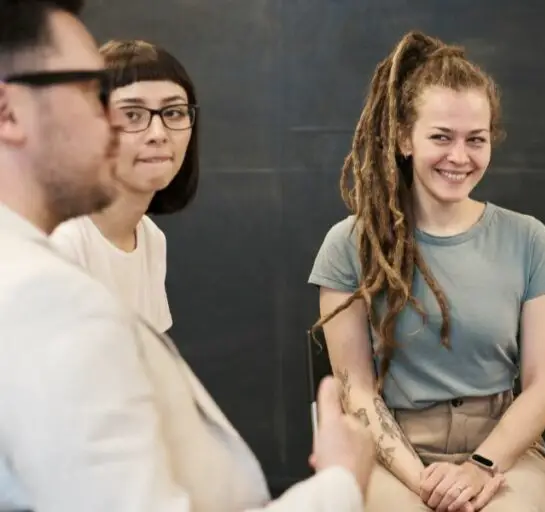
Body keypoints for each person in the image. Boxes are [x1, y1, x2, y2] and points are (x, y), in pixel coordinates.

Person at [0, 1, 373, 510]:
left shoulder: (140, 242)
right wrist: (340, 480)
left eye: (174, 113)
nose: (149, 131)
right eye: (92, 93)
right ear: (9, 112)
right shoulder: (52, 293)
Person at [308, 30, 545, 512]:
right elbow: (357, 392)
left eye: (476, 139)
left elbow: (544, 385)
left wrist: (481, 466)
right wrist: (426, 481)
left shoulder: (529, 239)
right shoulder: (349, 244)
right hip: (393, 454)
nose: (459, 156)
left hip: (503, 450)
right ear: (405, 139)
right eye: (441, 137)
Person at [50, 39, 199, 333]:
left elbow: (146, 364)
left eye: (173, 113)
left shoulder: (151, 238)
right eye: (132, 114)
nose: (158, 134)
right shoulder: (63, 241)